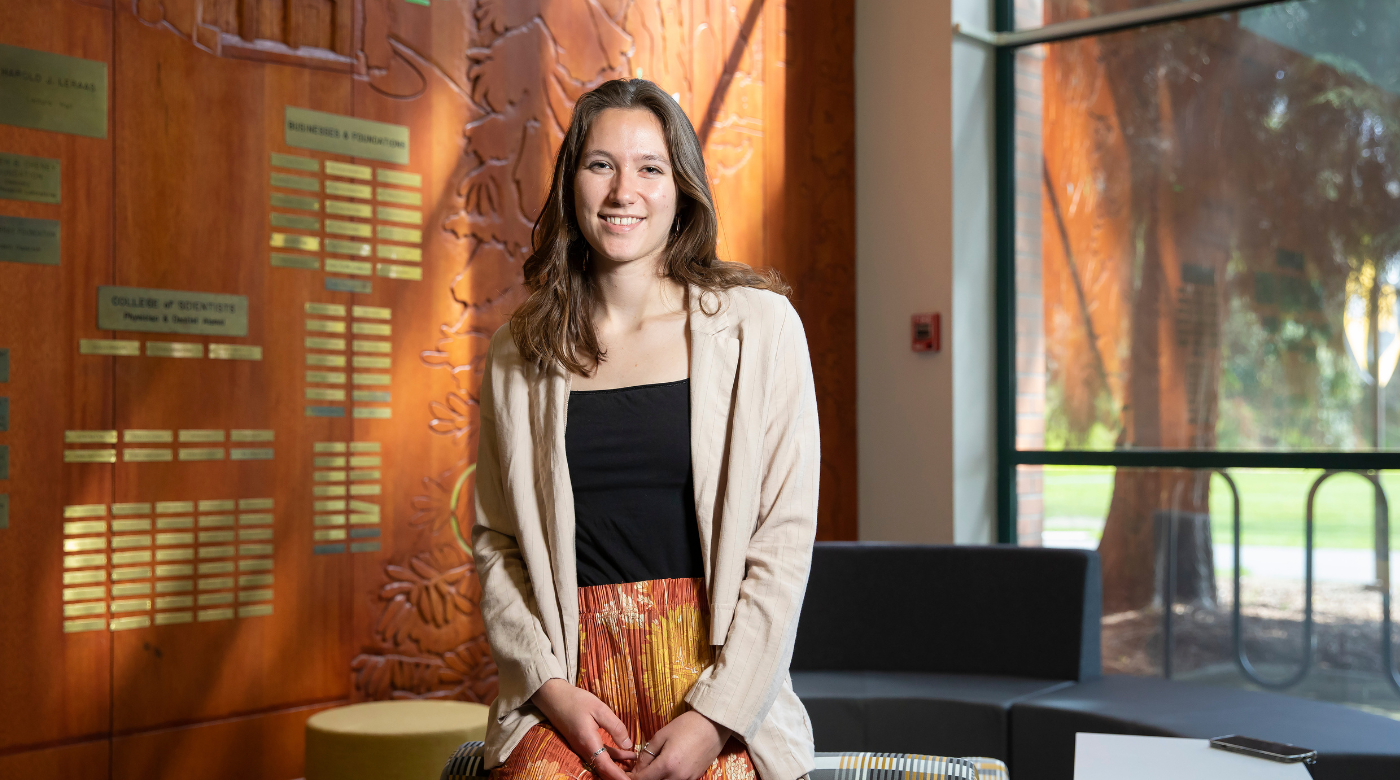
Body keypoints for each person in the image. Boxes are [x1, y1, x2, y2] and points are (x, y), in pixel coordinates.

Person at [471, 77, 820, 780]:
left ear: (681, 186)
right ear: (573, 182)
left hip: (717, 684)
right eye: (601, 164)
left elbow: (781, 544)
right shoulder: (516, 353)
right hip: (569, 689)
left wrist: (713, 718)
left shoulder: (761, 329)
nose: (623, 190)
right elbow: (497, 544)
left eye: (649, 168)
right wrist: (550, 689)